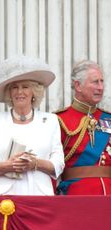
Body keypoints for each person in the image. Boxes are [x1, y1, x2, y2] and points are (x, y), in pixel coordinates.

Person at [0, 55, 65, 196]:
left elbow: (58, 165)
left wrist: (35, 163)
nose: (19, 92)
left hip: (40, 197)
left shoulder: (50, 121)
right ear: (9, 93)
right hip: (4, 199)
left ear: (34, 92)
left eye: (25, 87)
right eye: (14, 88)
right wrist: (9, 165)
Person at [56, 60, 111, 195]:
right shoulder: (59, 120)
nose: (100, 87)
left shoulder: (108, 118)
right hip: (77, 195)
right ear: (78, 86)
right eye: (95, 82)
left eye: (102, 81)